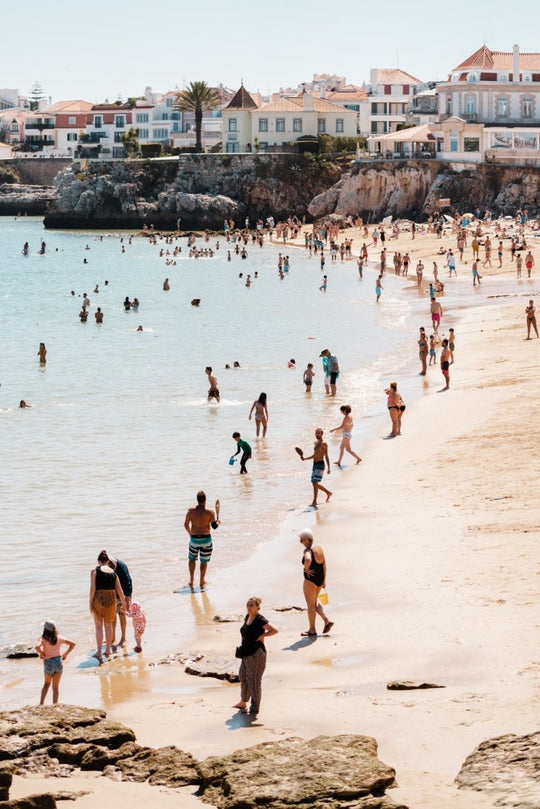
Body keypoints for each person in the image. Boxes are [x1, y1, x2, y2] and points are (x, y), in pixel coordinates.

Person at [232, 596, 278, 715]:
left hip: (256, 654)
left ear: (258, 607)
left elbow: (274, 630)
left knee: (254, 681)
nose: (249, 607)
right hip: (246, 653)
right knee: (243, 676)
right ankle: (243, 702)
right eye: (247, 605)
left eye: (251, 605)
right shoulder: (248, 617)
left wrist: (263, 636)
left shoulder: (260, 619)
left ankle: (255, 707)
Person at [89, 550, 127, 662]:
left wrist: (90, 602)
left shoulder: (94, 572)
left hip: (99, 600)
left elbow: (92, 590)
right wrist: (124, 605)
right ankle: (108, 651)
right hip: (112, 601)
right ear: (107, 561)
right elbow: (120, 592)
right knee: (109, 625)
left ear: (99, 561)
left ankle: (99, 651)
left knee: (98, 627)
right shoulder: (114, 573)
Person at [298, 529, 333, 637]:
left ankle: (312, 630)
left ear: (305, 539)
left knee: (310, 605)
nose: (301, 543)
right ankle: (326, 621)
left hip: (310, 581)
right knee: (315, 603)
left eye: (301, 540)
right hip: (320, 579)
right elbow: (324, 565)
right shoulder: (319, 548)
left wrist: (306, 568)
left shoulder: (308, 550)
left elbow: (308, 559)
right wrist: (324, 580)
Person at [184, 490, 220, 590]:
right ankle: (201, 581)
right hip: (206, 540)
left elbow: (186, 525)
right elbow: (214, 527)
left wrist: (191, 534)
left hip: (194, 539)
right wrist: (218, 522)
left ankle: (191, 580)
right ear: (205, 500)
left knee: (192, 559)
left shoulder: (190, 511)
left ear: (197, 500)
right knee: (203, 561)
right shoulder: (210, 512)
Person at [35, 620, 76, 705]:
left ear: (45, 629)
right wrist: (65, 654)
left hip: (48, 663)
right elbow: (73, 644)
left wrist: (42, 653)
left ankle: (41, 704)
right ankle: (55, 705)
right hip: (58, 663)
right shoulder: (60, 638)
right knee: (55, 687)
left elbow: (37, 647)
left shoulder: (43, 639)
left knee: (46, 684)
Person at [298, 427, 332, 506]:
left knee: (314, 482)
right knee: (314, 483)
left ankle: (314, 501)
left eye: (319, 433)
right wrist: (305, 458)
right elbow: (315, 455)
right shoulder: (315, 443)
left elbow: (326, 456)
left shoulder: (324, 444)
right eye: (316, 433)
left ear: (322, 434)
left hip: (320, 464)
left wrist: (329, 468)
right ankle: (328, 493)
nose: (317, 434)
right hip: (315, 464)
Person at [107, 554, 133, 650]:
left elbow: (128, 582)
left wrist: (128, 599)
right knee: (112, 617)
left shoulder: (121, 566)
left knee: (122, 615)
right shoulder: (104, 567)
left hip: (122, 594)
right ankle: (112, 637)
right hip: (111, 595)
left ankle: (123, 638)